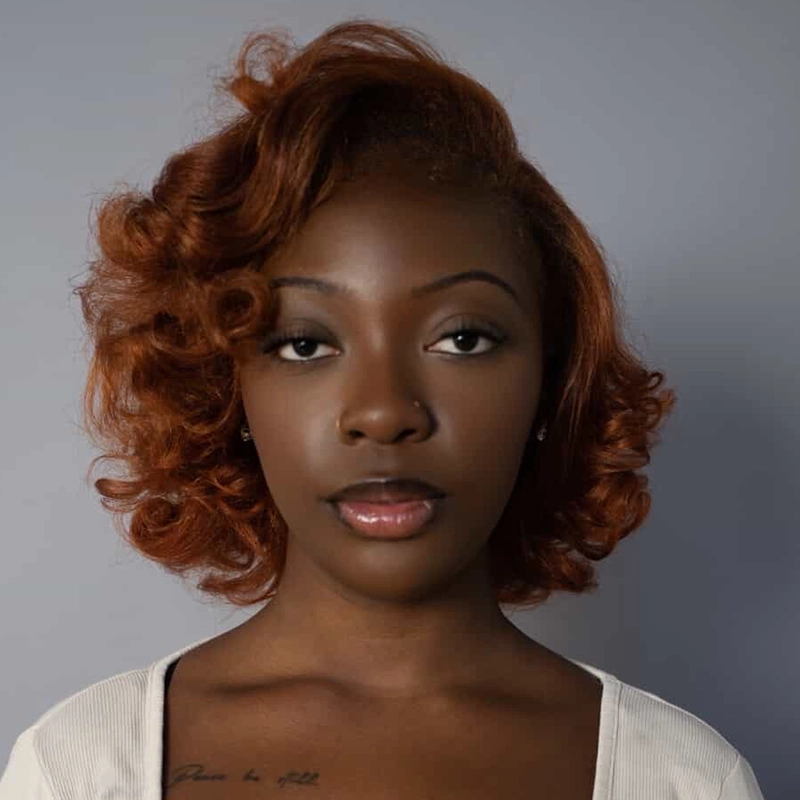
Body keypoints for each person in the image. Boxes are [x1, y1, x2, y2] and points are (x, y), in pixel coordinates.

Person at [0, 18, 764, 800]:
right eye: (304, 345)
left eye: (463, 338)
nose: (383, 412)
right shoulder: (79, 767)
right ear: (223, 390)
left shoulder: (683, 778)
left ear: (552, 377)